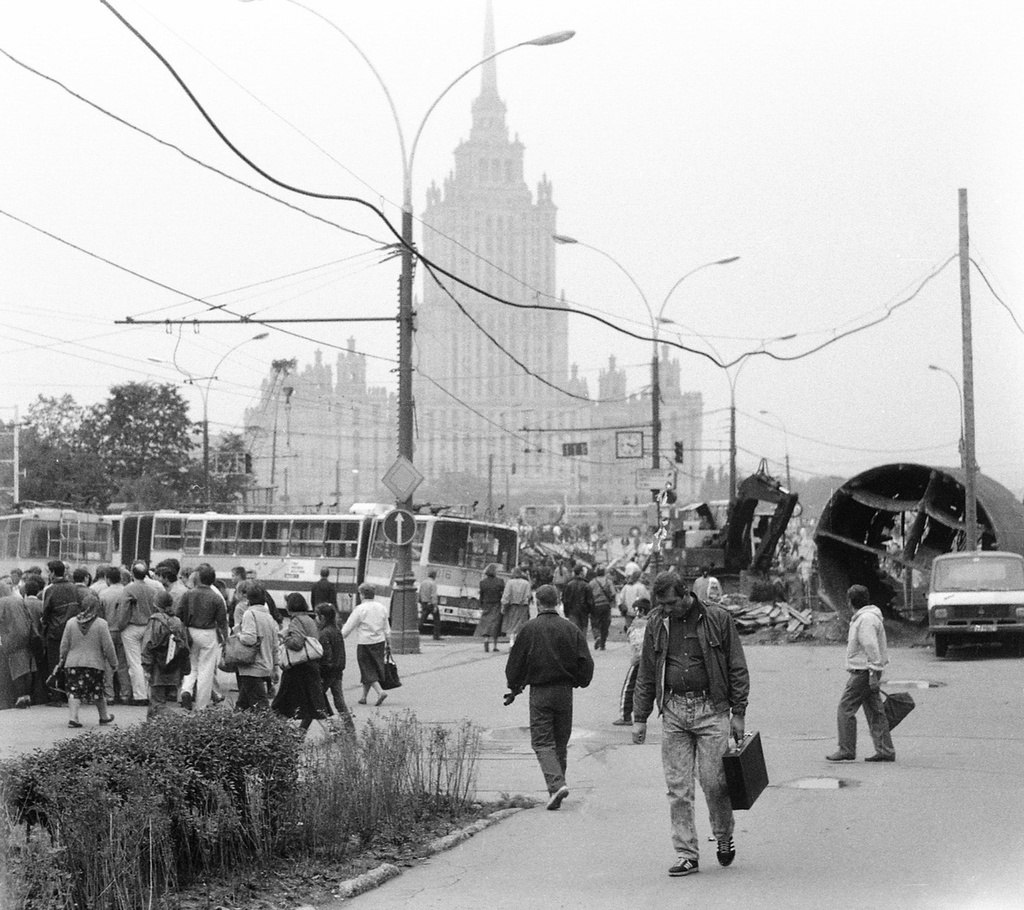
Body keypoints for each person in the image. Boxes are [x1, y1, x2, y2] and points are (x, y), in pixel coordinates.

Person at [633, 571, 749, 877]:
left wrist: (739, 712)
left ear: (686, 594)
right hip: (673, 709)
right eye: (662, 604)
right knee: (678, 787)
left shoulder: (718, 619)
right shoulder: (657, 622)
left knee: (714, 782)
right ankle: (686, 853)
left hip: (712, 710)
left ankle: (723, 836)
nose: (666, 609)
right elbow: (646, 670)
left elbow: (736, 665)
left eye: (671, 603)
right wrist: (640, 717)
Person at [504, 584, 594, 811]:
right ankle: (555, 790)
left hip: (540, 691)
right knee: (560, 741)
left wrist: (514, 686)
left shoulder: (529, 629)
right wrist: (579, 681)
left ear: (537, 602)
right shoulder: (571, 629)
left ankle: (557, 784)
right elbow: (586, 663)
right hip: (565, 692)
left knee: (543, 741)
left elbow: (516, 662)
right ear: (558, 601)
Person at [826, 584, 895, 763]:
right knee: (875, 710)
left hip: (864, 671)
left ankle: (846, 748)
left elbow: (870, 646)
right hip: (870, 670)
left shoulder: (864, 620)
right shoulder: (870, 617)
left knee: (845, 708)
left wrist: (873, 672)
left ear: (850, 601)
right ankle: (885, 749)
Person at [272, 593, 330, 735]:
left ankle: (273, 731)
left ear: (291, 606)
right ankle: (330, 732)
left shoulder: (296, 621)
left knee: (281, 702)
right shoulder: (309, 619)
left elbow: (297, 643)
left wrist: (286, 638)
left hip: (298, 668)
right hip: (311, 666)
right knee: (314, 703)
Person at [58, 591, 117, 728]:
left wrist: (62, 659)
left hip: (73, 663)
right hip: (94, 664)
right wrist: (114, 663)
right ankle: (104, 716)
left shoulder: (71, 623)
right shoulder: (101, 624)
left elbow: (64, 645)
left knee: (74, 691)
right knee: (97, 691)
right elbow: (108, 646)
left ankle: (73, 718)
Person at [177, 564, 229, 711]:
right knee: (206, 670)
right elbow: (222, 622)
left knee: (191, 665)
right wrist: (225, 640)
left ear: (198, 578)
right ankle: (201, 704)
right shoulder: (216, 598)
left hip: (190, 631)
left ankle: (186, 690)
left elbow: (179, 614)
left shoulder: (188, 594)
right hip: (208, 633)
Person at [141, 590, 191, 719]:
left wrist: (147, 667)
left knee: (158, 702)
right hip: (174, 667)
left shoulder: (155, 621)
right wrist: (185, 669)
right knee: (158, 702)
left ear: (156, 605)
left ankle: (177, 720)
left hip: (158, 667)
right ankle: (150, 729)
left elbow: (148, 644)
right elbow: (185, 646)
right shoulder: (178, 622)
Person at [342, 583, 392, 707]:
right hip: (379, 642)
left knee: (366, 669)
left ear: (362, 594)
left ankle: (380, 692)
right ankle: (363, 697)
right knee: (373, 668)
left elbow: (349, 627)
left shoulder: (360, 609)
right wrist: (389, 643)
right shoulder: (382, 607)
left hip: (365, 642)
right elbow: (387, 627)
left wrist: (340, 636)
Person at [41, 560, 82, 702]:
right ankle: (69, 694)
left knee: (55, 662)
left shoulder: (50, 589)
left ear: (52, 573)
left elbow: (45, 612)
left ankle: (56, 696)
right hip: (73, 630)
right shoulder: (73, 587)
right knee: (69, 662)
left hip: (55, 631)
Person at [235, 584, 280, 711]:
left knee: (261, 708)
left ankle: (271, 730)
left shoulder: (250, 614)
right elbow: (275, 645)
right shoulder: (269, 617)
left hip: (252, 667)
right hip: (265, 665)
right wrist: (275, 668)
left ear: (248, 599)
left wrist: (238, 633)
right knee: (242, 706)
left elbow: (249, 638)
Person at [119, 561, 158, 706]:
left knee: (134, 662)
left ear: (132, 574)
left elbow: (124, 611)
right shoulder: (152, 589)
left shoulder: (129, 589)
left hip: (132, 627)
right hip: (148, 627)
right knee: (146, 661)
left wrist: (120, 626)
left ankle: (139, 695)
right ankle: (147, 692)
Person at [316, 602, 356, 738]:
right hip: (338, 670)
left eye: (317, 616)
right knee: (339, 700)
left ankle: (331, 727)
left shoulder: (324, 633)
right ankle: (350, 729)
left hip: (328, 671)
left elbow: (326, 655)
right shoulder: (336, 630)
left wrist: (321, 671)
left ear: (322, 617)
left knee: (317, 698)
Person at [613, 596, 651, 726]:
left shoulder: (639, 624)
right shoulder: (651, 622)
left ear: (640, 610)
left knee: (629, 688)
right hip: (650, 660)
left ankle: (625, 715)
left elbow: (638, 643)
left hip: (639, 660)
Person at [0, 581, 36, 708]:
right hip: (26, 636)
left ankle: (20, 697)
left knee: (16, 668)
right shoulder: (19, 600)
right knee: (25, 667)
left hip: (11, 638)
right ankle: (26, 696)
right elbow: (29, 617)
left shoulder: (1, 602)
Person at [500, 566, 532, 646]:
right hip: (523, 607)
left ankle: (511, 642)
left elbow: (506, 595)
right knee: (520, 625)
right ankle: (518, 643)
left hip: (512, 606)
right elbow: (529, 595)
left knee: (512, 625)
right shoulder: (526, 583)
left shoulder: (509, 582)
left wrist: (504, 605)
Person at [477, 563, 505, 653]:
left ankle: (486, 640)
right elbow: (503, 594)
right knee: (495, 624)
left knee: (486, 622)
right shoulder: (500, 581)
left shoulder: (482, 583)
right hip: (496, 604)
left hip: (486, 604)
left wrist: (480, 604)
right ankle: (495, 645)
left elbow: (481, 595)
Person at [588, 566, 617, 650]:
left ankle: (597, 636)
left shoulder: (592, 582)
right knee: (605, 624)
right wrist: (612, 602)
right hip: (606, 605)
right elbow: (613, 593)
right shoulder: (608, 582)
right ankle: (603, 644)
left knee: (594, 622)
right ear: (604, 572)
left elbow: (588, 594)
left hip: (595, 605)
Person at [562, 565, 595, 635]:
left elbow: (565, 600)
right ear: (581, 573)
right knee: (583, 632)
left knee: (573, 632)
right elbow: (590, 601)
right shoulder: (586, 585)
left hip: (572, 612)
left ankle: (574, 645)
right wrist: (590, 611)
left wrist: (566, 611)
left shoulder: (569, 585)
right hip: (584, 612)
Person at [617, 570, 649, 634]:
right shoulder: (641, 587)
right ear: (638, 578)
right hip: (638, 612)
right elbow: (646, 599)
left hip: (628, 611)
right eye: (642, 577)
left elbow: (621, 599)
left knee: (629, 629)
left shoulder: (626, 587)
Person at [418, 569, 442, 640]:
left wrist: (420, 601)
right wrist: (435, 606)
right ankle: (436, 635)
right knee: (437, 619)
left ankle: (416, 631)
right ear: (434, 576)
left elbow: (420, 593)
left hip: (424, 603)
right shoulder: (433, 584)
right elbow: (433, 595)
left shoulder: (423, 582)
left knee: (422, 619)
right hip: (431, 604)